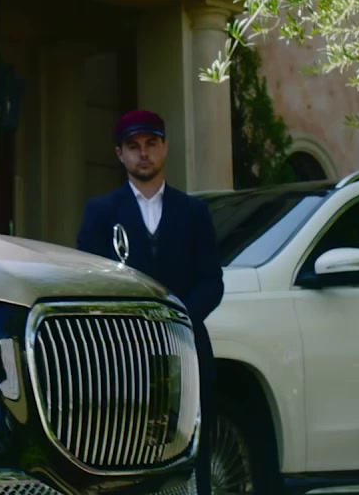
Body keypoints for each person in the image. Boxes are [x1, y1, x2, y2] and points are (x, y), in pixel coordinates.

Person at [75, 110, 224, 495]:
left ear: (165, 147)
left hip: (186, 351)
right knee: (123, 454)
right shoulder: (100, 212)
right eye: (133, 146)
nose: (143, 153)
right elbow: (86, 282)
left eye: (151, 144)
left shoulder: (193, 212)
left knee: (189, 453)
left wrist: (177, 320)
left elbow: (212, 282)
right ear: (119, 154)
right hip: (121, 357)